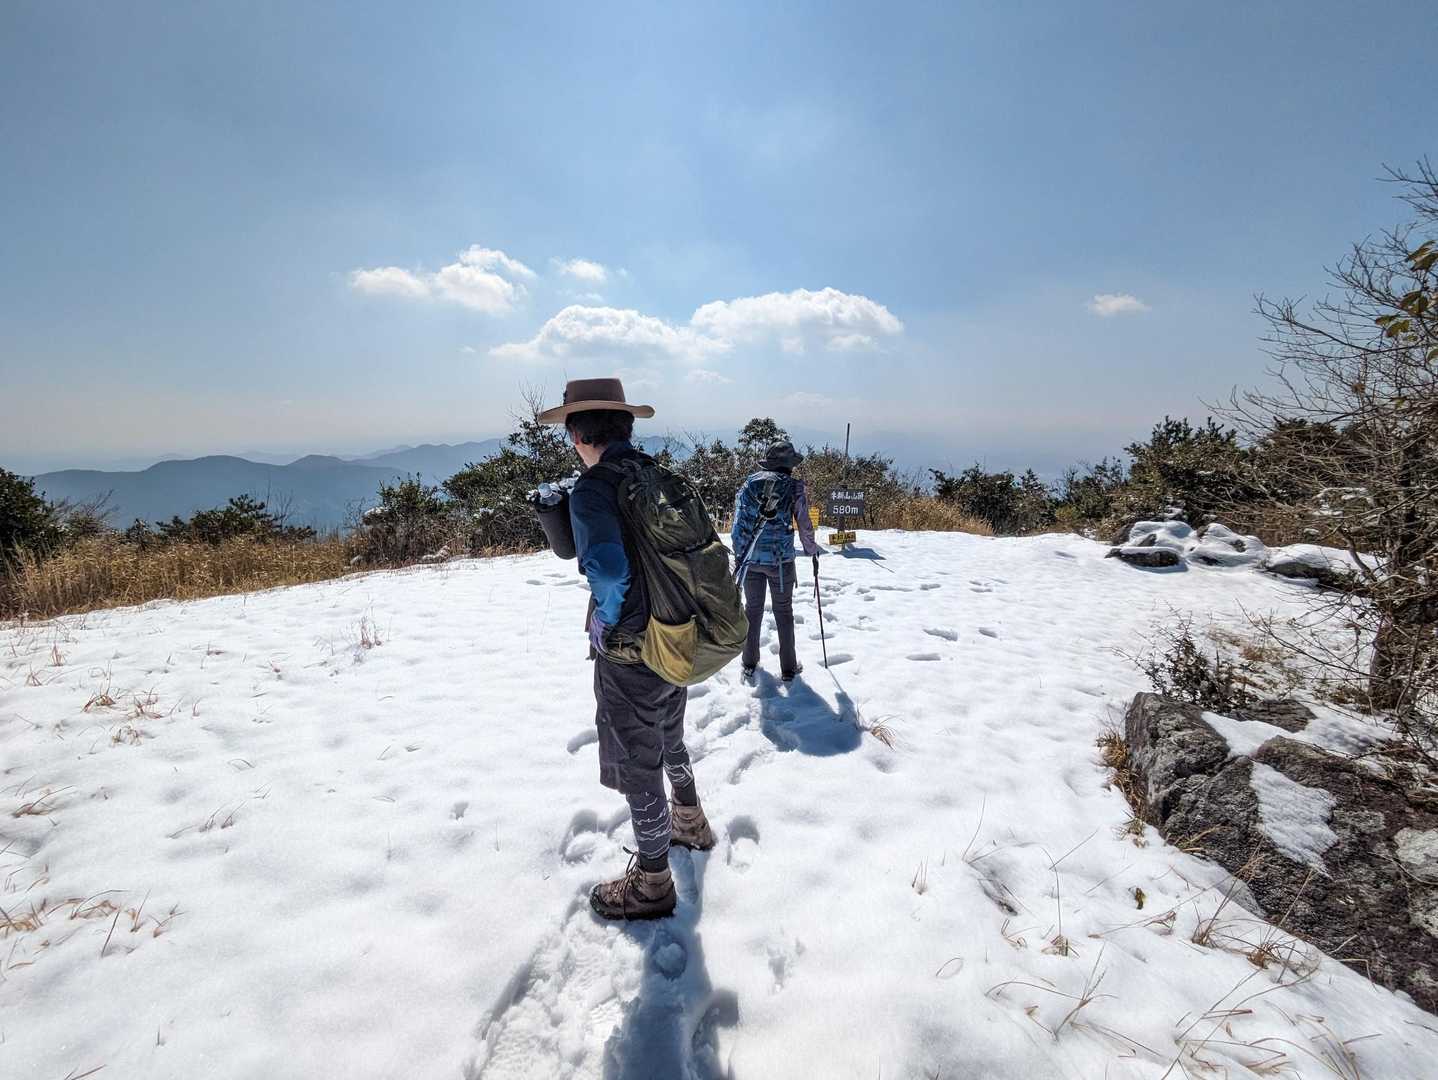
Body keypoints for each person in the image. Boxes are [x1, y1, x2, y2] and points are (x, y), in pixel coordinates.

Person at [537, 377, 717, 921]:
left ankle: (653, 885)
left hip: (632, 648)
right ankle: (690, 820)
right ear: (626, 427)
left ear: (575, 434)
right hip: (676, 632)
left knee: (638, 761)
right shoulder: (656, 474)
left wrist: (607, 621)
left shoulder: (593, 490)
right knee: (669, 733)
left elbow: (610, 572)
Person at [731, 441, 821, 684]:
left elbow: (738, 522)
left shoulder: (750, 484)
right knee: (783, 611)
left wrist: (740, 555)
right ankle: (788, 669)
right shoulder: (793, 487)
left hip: (751, 559)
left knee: (752, 610)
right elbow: (804, 523)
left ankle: (749, 663)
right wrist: (811, 550)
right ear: (789, 465)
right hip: (781, 562)